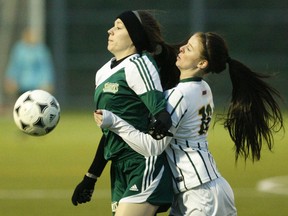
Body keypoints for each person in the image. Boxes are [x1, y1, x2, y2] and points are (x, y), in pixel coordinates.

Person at [94, 32, 284, 215]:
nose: (182, 48)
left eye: (190, 48)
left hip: (199, 194)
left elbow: (152, 147)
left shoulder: (179, 96)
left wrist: (114, 122)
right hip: (206, 189)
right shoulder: (203, 88)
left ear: (202, 63)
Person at [71, 10, 180, 216]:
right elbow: (110, 133)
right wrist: (91, 177)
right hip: (119, 168)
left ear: (134, 37)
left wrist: (163, 120)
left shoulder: (139, 64)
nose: (110, 30)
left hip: (143, 164)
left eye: (119, 27)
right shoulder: (103, 72)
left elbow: (160, 112)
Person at [4, 28, 55, 97]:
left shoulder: (41, 50)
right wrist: (10, 79)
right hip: (21, 85)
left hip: (37, 86)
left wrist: (47, 82)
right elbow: (14, 66)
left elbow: (46, 68)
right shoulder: (19, 49)